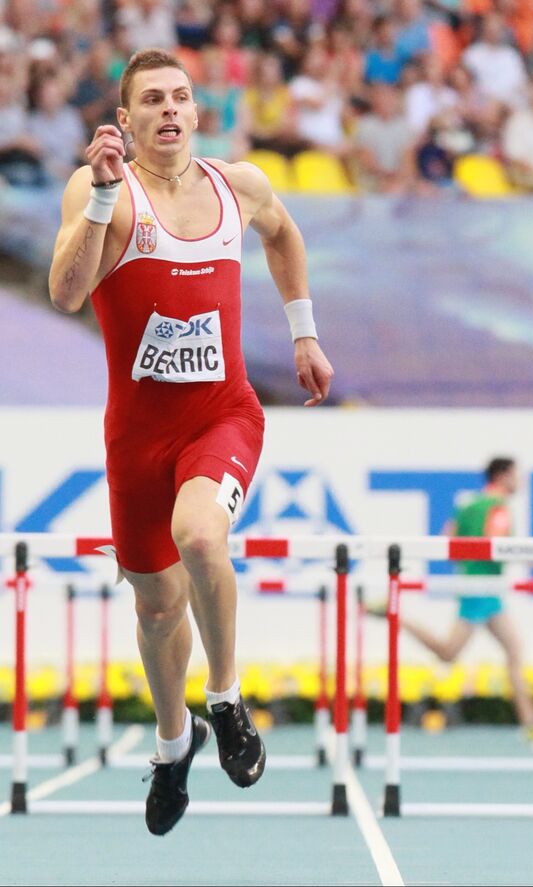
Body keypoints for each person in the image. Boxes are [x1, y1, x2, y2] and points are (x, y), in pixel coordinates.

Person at [46, 48, 334, 836]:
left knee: (201, 534)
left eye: (180, 97)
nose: (169, 110)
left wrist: (303, 334)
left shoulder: (237, 185)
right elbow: (67, 293)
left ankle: (227, 697)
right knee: (157, 604)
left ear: (197, 111)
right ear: (126, 120)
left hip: (223, 415)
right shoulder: (104, 187)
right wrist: (103, 197)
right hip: (137, 437)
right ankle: (175, 747)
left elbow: (285, 237)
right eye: (151, 100)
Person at [375, 458, 533, 741]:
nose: (520, 480)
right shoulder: (498, 508)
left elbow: (447, 536)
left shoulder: (469, 505)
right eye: (515, 475)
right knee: (449, 652)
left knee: (511, 648)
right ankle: (396, 616)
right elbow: (497, 544)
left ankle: (530, 720)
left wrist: (468, 564)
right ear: (501, 476)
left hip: (479, 584)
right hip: (483, 587)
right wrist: (530, 559)